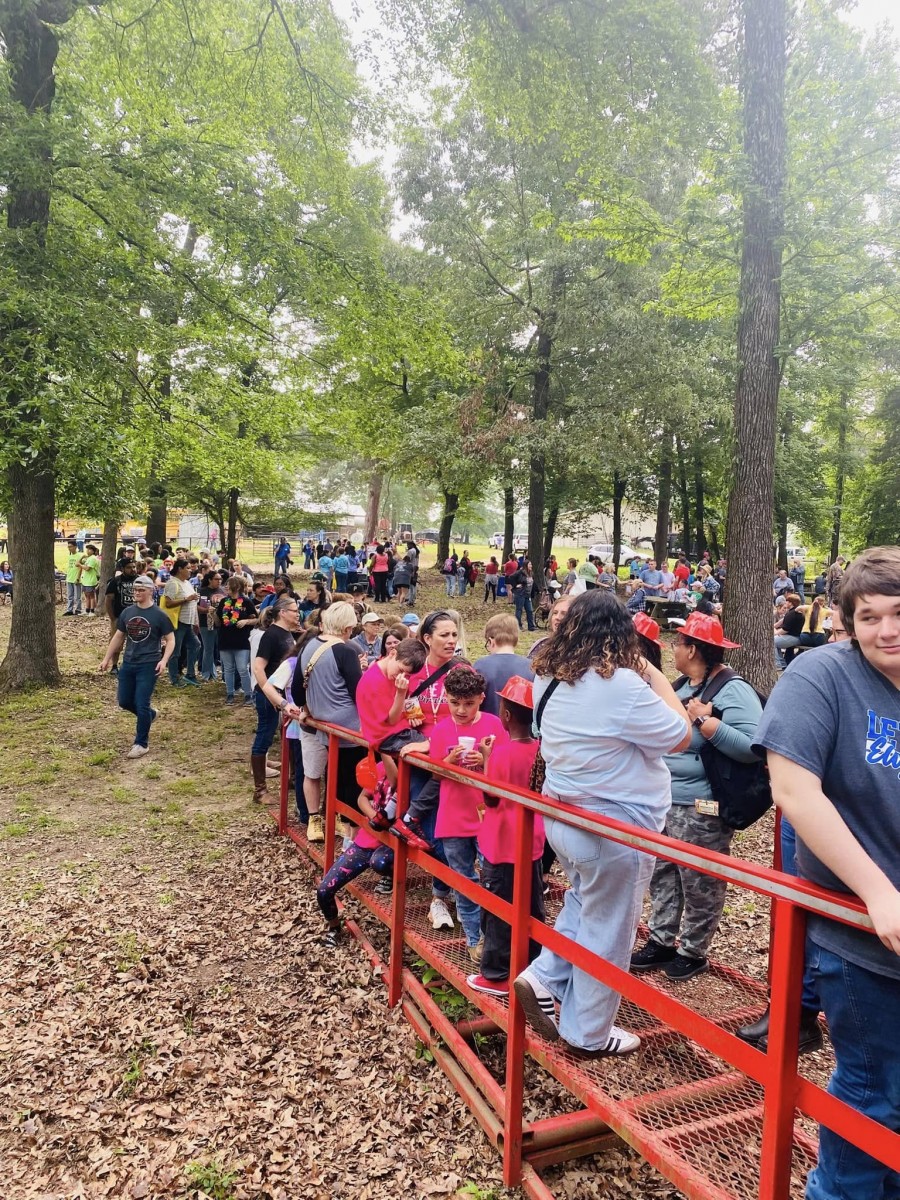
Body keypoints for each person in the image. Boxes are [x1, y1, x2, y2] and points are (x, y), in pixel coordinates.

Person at [751, 547, 900, 1200]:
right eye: (869, 616)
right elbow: (793, 789)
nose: (886, 630)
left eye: (899, 613)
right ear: (847, 620)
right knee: (875, 1088)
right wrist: (879, 893)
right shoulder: (823, 676)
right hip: (863, 935)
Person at [514, 590, 690, 1058]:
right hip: (613, 826)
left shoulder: (546, 676)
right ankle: (588, 1032)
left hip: (564, 816)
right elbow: (680, 734)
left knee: (585, 901)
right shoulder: (622, 687)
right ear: (620, 633)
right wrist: (649, 669)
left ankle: (544, 976)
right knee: (610, 929)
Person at [631, 613, 763, 981]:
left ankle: (693, 950)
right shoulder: (679, 686)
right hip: (666, 801)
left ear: (693, 650)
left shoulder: (732, 689)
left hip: (702, 807)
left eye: (678, 643)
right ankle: (661, 940)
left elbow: (753, 746)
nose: (672, 649)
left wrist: (708, 722)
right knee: (664, 874)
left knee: (700, 880)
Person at [466, 676, 545, 996]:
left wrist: (486, 760)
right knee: (532, 905)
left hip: (501, 844)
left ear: (507, 715)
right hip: (533, 841)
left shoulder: (501, 754)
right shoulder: (540, 751)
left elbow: (491, 798)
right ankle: (535, 967)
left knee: (497, 908)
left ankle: (496, 974)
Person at [427, 664, 506, 961]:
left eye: (469, 703)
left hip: (486, 815)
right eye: (455, 702)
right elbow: (435, 774)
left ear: (481, 699)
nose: (461, 710)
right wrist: (448, 761)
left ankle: (493, 939)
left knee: (491, 879)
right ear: (446, 697)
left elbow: (505, 768)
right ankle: (475, 940)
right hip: (452, 816)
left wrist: (485, 760)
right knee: (463, 881)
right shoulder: (441, 729)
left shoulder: (494, 725)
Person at [292, 601, 366, 840]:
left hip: (323, 724)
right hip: (350, 727)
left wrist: (307, 708)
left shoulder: (310, 646)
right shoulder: (345, 651)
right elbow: (359, 693)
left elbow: (297, 689)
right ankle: (353, 834)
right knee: (354, 780)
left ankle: (345, 830)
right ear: (347, 627)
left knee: (338, 776)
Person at [315, 766, 396, 946]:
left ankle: (391, 874)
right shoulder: (380, 767)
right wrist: (375, 817)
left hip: (392, 844)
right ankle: (335, 928)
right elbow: (362, 797)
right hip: (367, 839)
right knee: (324, 891)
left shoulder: (411, 776)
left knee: (380, 862)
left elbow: (397, 781)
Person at [98, 574, 174, 759]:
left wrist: (164, 660)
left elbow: (171, 639)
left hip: (149, 664)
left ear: (150, 591)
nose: (137, 593)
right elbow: (118, 636)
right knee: (124, 701)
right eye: (135, 590)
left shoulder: (159, 615)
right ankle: (150, 715)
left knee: (141, 703)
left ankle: (141, 744)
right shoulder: (128, 612)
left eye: (141, 590)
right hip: (129, 662)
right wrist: (107, 658)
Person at [357, 636, 429, 782]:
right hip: (389, 736)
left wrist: (411, 714)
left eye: (407, 675)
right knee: (436, 749)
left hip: (392, 733)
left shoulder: (386, 672)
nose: (402, 677)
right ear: (392, 653)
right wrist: (401, 693)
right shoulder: (375, 682)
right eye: (401, 670)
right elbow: (391, 720)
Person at [250, 597, 300, 800]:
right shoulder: (271, 635)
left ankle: (292, 778)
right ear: (283, 613)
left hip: (283, 695)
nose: (298, 614)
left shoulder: (287, 633)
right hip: (269, 696)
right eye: (294, 610)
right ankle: (260, 790)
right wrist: (268, 691)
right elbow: (258, 667)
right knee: (265, 735)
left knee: (287, 735)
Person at [477, 613, 534, 716]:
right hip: (523, 725)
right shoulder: (531, 667)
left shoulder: (480, 666)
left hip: (489, 724)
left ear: (491, 641)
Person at [215, 575, 258, 705]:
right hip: (225, 640)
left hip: (242, 640)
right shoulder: (224, 602)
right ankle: (230, 694)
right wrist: (213, 614)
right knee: (228, 669)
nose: (226, 587)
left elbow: (257, 620)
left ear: (237, 587)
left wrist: (246, 621)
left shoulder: (246, 602)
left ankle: (248, 694)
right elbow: (218, 622)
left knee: (243, 669)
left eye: (229, 585)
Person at [163, 559, 200, 688]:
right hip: (177, 622)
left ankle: (190, 674)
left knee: (195, 645)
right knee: (175, 651)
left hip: (188, 622)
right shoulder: (173, 583)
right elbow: (168, 602)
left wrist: (195, 620)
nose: (190, 570)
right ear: (180, 569)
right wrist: (186, 599)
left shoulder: (187, 583)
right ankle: (174, 678)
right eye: (187, 568)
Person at [103, 557, 139, 674]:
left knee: (135, 643)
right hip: (120, 617)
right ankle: (114, 666)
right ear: (122, 569)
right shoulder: (115, 581)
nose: (132, 569)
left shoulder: (140, 580)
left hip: (137, 618)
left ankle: (132, 665)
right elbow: (108, 600)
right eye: (129, 567)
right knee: (116, 643)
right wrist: (113, 618)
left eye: (134, 567)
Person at [197, 570, 226, 682]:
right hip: (206, 623)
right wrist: (207, 610)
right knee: (208, 648)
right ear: (209, 580)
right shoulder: (203, 591)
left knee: (219, 649)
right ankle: (207, 673)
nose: (219, 581)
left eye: (220, 579)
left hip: (221, 623)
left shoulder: (222, 590)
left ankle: (217, 672)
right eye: (216, 579)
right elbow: (198, 607)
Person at [527, 594, 573, 660]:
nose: (557, 617)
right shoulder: (541, 645)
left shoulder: (582, 652)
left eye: (564, 614)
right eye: (555, 613)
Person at [774, 593, 805, 668]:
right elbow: (782, 622)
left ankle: (779, 663)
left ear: (791, 603)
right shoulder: (793, 612)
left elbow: (785, 629)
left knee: (772, 641)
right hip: (795, 636)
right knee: (776, 640)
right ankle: (782, 662)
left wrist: (776, 633)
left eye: (787, 601)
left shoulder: (793, 613)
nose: (786, 603)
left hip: (794, 637)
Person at [509, 561, 537, 632]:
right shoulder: (520, 572)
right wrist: (515, 585)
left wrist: (537, 590)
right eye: (529, 564)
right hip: (520, 594)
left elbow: (533, 583)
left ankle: (531, 626)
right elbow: (511, 577)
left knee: (530, 610)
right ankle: (518, 625)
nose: (531, 566)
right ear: (526, 565)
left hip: (528, 594)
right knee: (519, 610)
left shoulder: (531, 573)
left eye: (531, 564)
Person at [78, 544, 101, 615]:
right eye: (87, 549)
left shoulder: (93, 559)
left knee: (91, 596)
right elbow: (77, 563)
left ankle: (92, 610)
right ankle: (87, 610)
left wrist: (80, 565)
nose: (87, 551)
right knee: (86, 595)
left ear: (93, 551)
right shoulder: (88, 558)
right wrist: (82, 557)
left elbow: (87, 568)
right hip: (85, 580)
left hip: (91, 580)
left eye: (89, 549)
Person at [63, 539, 83, 616]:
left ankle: (78, 609)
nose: (69, 548)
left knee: (77, 596)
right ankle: (69, 610)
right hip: (69, 578)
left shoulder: (80, 555)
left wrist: (78, 578)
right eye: (68, 547)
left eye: (71, 546)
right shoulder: (69, 556)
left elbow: (81, 568)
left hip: (76, 578)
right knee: (70, 596)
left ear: (75, 547)